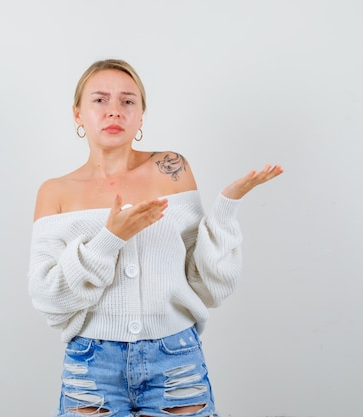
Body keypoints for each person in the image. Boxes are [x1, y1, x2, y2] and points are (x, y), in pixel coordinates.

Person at [27, 58, 283, 417]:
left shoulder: (171, 169)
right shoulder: (55, 192)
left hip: (175, 359)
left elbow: (208, 285)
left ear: (141, 116)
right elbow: (47, 297)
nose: (114, 111)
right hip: (91, 366)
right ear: (77, 114)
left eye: (128, 101)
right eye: (100, 100)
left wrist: (226, 207)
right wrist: (109, 239)